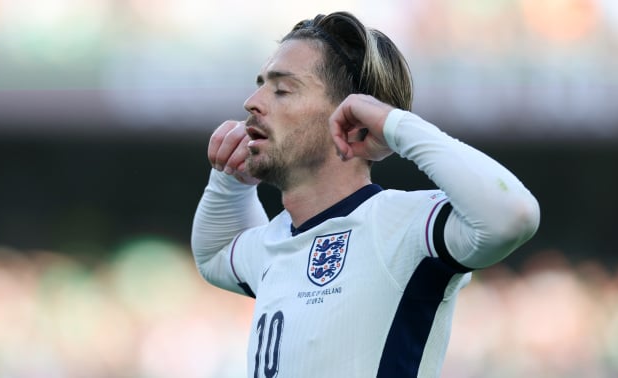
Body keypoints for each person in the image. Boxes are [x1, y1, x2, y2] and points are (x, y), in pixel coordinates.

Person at [191, 11, 539, 378]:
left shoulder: (402, 226)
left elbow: (513, 216)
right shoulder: (273, 242)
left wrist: (396, 125)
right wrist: (229, 181)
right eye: (260, 85)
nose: (252, 102)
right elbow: (214, 253)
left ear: (353, 118)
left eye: (281, 89)